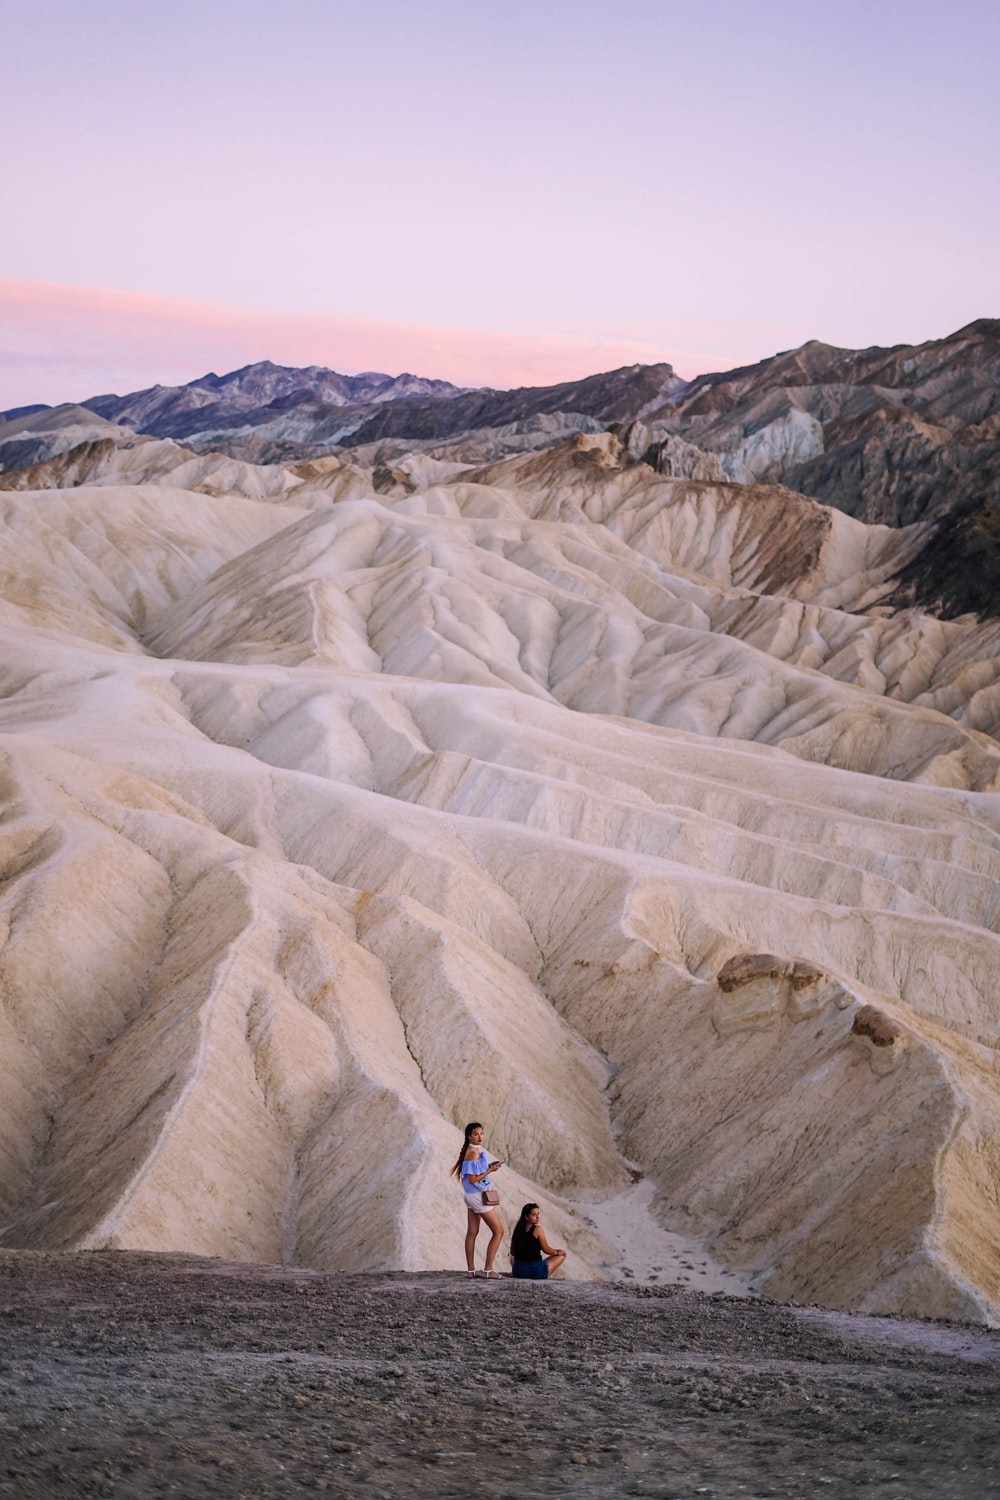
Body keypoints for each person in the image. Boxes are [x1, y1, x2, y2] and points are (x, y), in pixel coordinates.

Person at [451, 1121, 505, 1279]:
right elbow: (474, 1179)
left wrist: (489, 1166)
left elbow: (473, 1172)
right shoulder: (473, 1153)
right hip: (478, 1195)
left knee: (472, 1232)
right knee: (498, 1231)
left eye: (481, 1133)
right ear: (469, 1136)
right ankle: (488, 1269)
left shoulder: (472, 1151)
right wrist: (490, 1170)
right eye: (476, 1134)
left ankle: (471, 1270)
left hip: (470, 1195)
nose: (480, 1137)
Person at [510, 1203, 566, 1280]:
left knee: (512, 1258)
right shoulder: (538, 1229)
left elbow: (512, 1252)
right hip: (536, 1272)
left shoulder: (517, 1230)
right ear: (526, 1217)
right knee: (561, 1256)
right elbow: (546, 1249)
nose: (537, 1217)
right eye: (533, 1215)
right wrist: (558, 1252)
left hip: (518, 1272)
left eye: (538, 1214)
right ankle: (538, 1272)